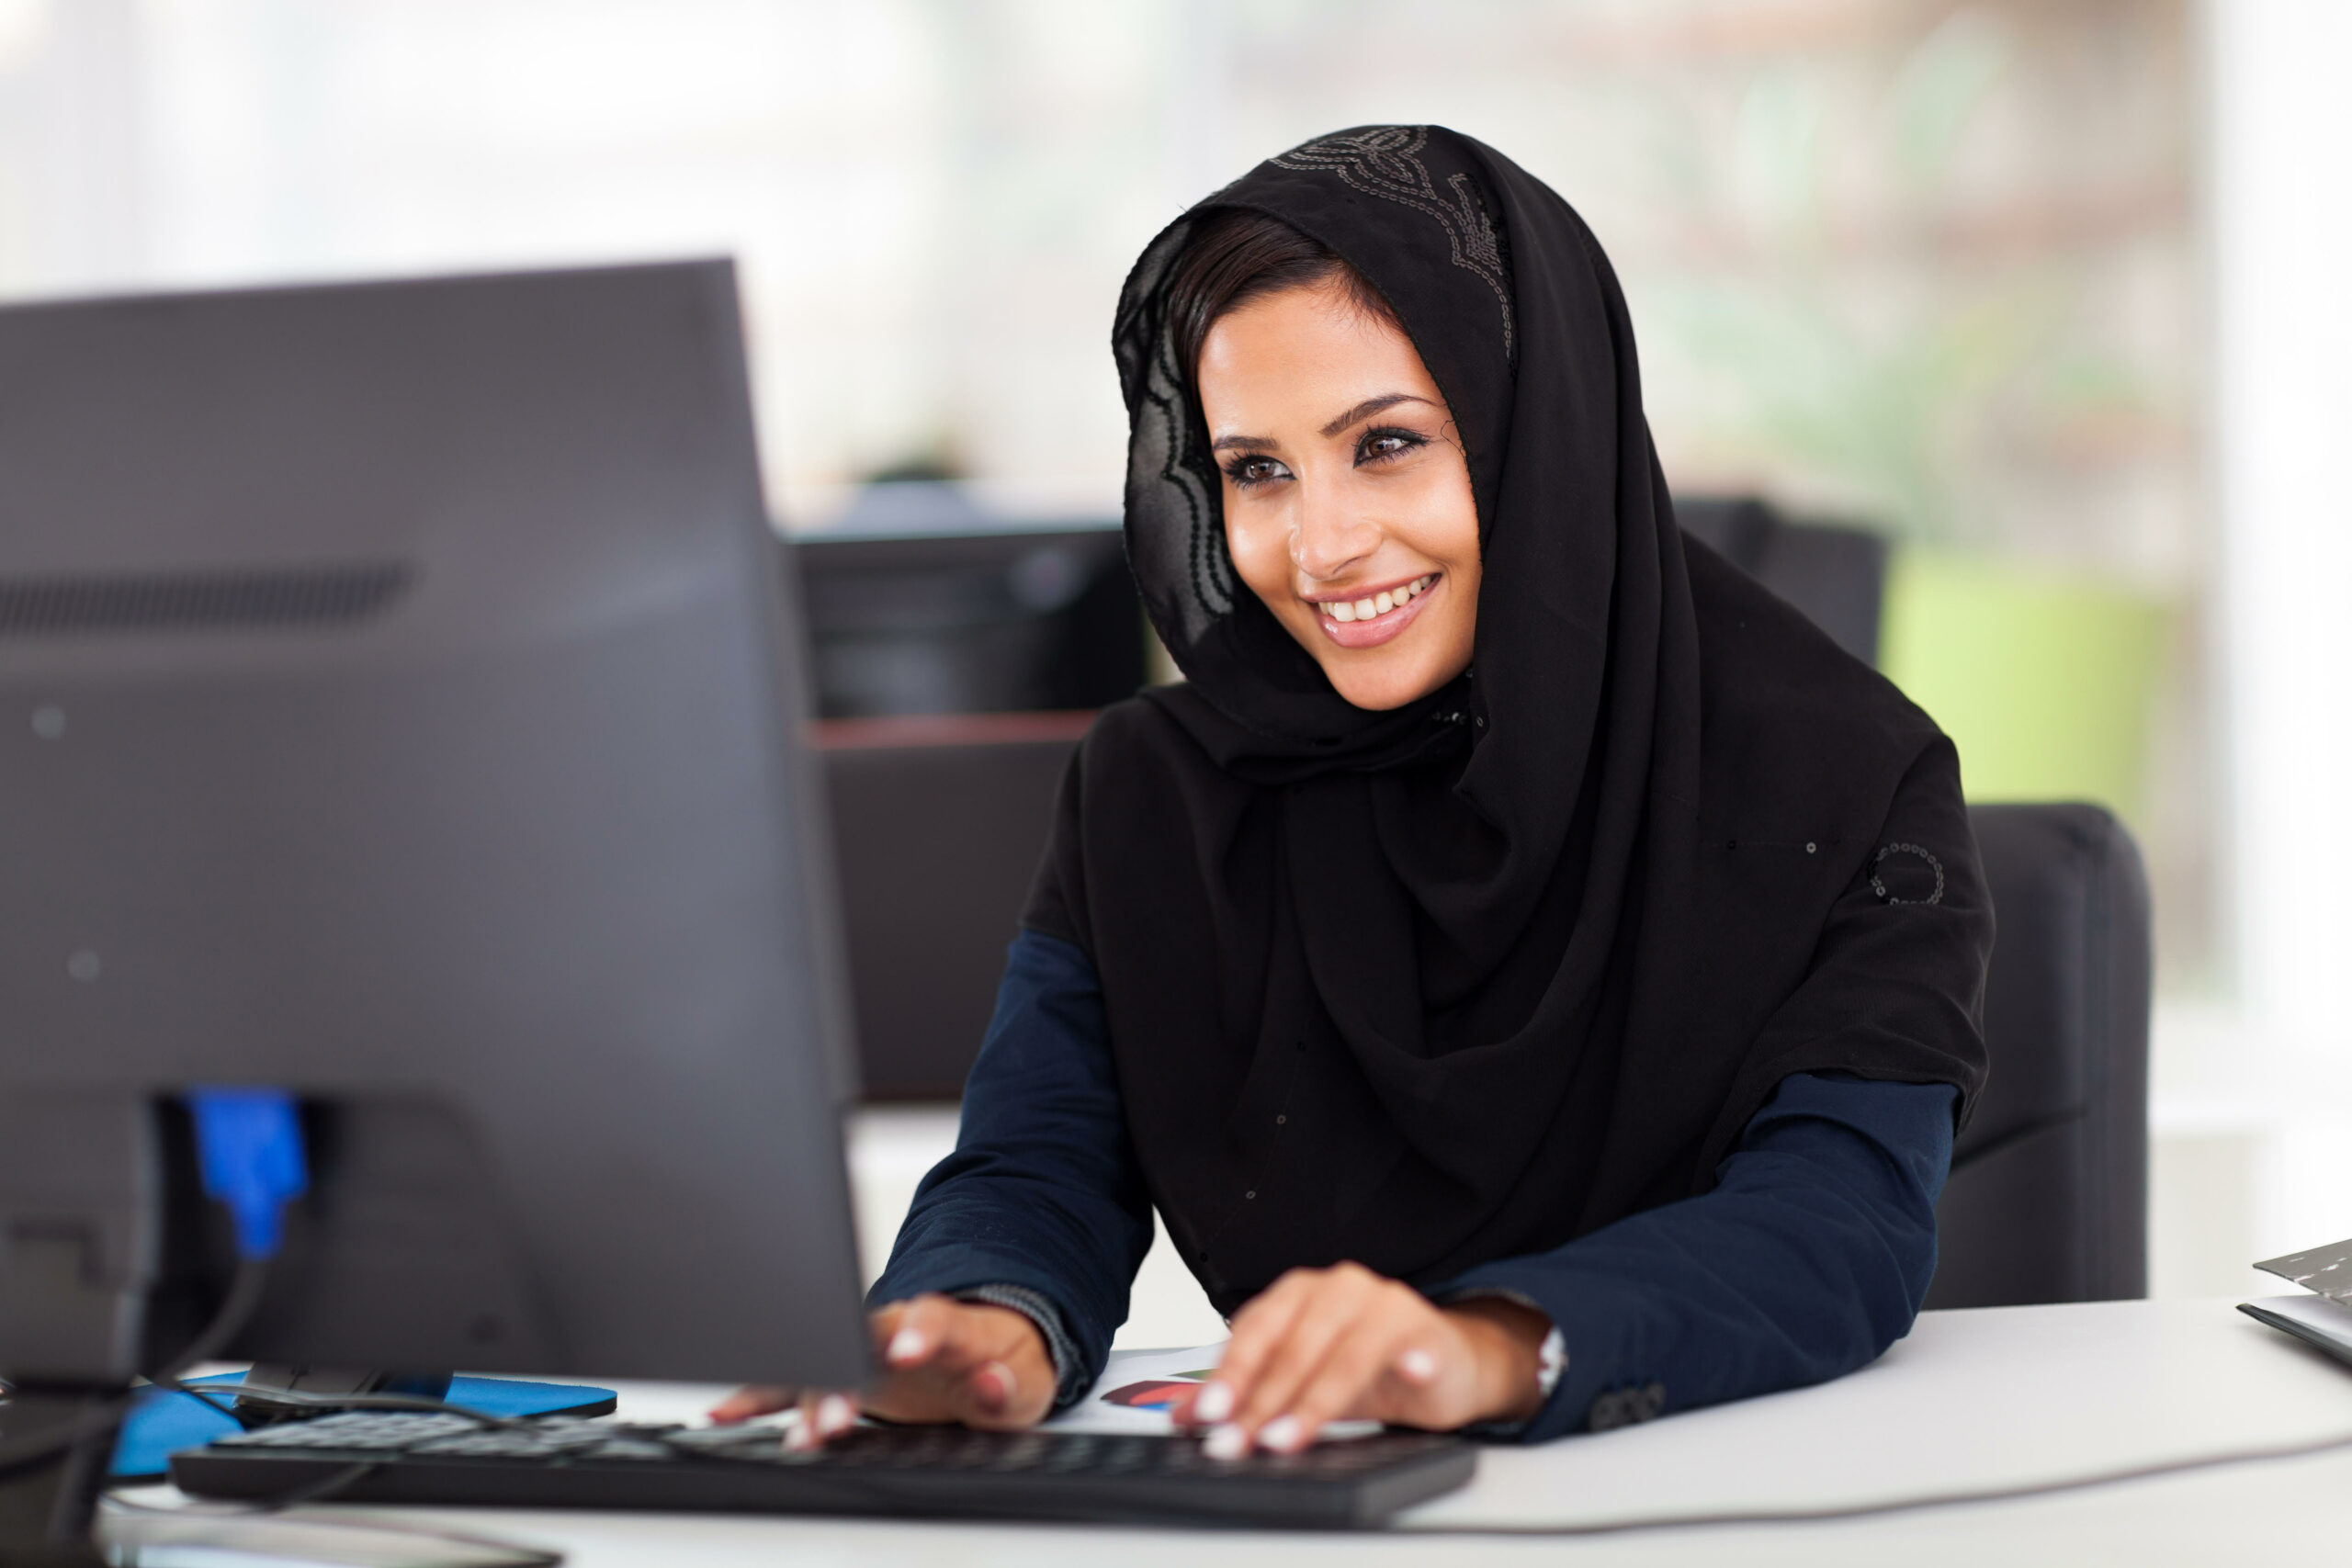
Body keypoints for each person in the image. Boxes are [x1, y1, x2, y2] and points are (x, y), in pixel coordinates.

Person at [715, 124, 1991, 1455]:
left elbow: (1839, 1218)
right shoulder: (1158, 795)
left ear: (1536, 429)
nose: (1317, 547)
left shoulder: (1843, 780)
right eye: (1256, 471)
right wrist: (974, 1322)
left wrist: (1484, 1345)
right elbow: (1039, 1168)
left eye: (1384, 445)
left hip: (1740, 1500)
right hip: (1318, 1515)